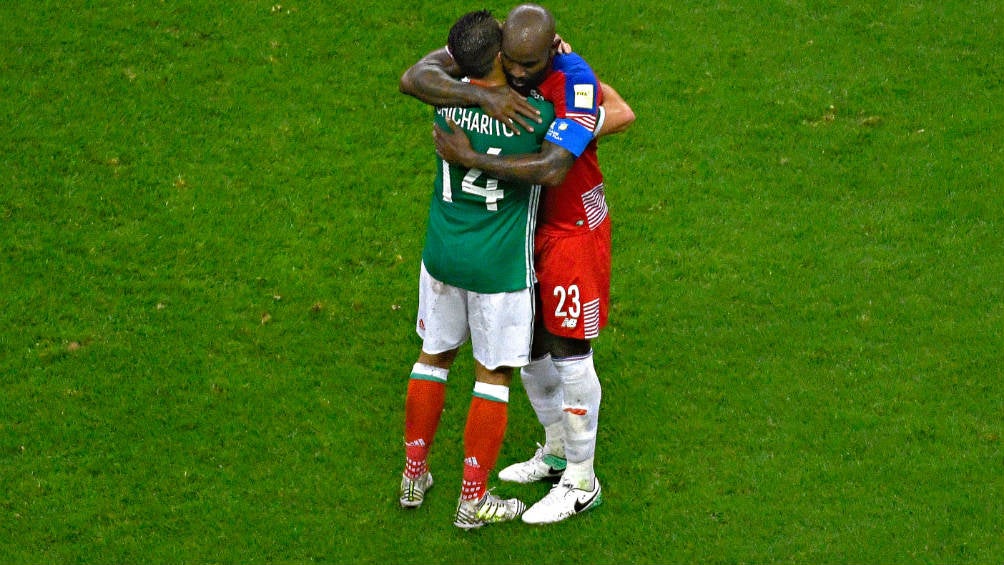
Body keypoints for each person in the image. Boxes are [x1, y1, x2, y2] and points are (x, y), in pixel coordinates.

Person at [402, 3, 635, 525]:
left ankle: (581, 479)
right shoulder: (500, 67)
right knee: (530, 346)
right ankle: (555, 449)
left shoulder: (572, 77)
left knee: (569, 350)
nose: (518, 74)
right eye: (511, 63)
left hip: (571, 226)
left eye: (528, 66)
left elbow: (613, 117)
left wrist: (472, 157)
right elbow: (417, 76)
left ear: (550, 49)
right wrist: (483, 92)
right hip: (521, 229)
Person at [397, 10, 557, 530]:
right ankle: (473, 499)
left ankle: (413, 475)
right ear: (502, 57)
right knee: (493, 375)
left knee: (433, 357)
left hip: (443, 251)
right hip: (498, 266)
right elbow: (558, 162)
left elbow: (420, 73)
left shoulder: (445, 99)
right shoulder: (533, 116)